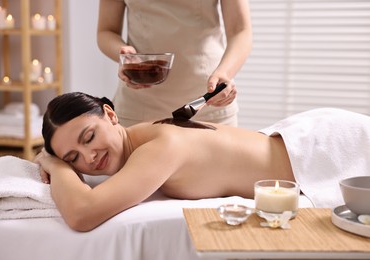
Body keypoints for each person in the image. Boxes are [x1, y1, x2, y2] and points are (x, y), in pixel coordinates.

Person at [35, 92, 370, 232]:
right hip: (300, 141)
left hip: (325, 149)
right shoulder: (141, 139)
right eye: (74, 158)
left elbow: (82, 214)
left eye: (89, 137)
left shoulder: (158, 148)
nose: (89, 158)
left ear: (110, 115)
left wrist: (56, 164)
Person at [96, 0, 253, 127]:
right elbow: (106, 31)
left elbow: (240, 30)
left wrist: (225, 73)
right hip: (139, 107)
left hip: (207, 101)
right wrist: (123, 54)